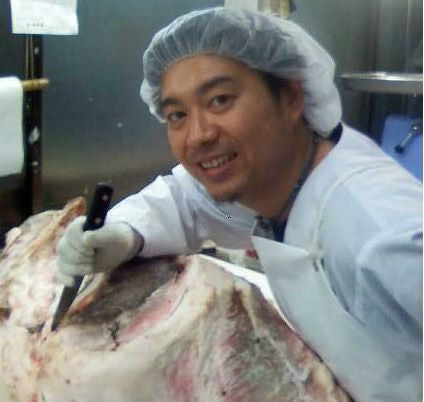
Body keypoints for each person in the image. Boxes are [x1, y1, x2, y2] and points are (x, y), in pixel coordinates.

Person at [55, 7, 423, 402]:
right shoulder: (275, 180)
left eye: (220, 100)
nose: (198, 135)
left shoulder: (384, 235)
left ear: (291, 98)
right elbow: (185, 201)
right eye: (177, 114)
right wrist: (126, 233)